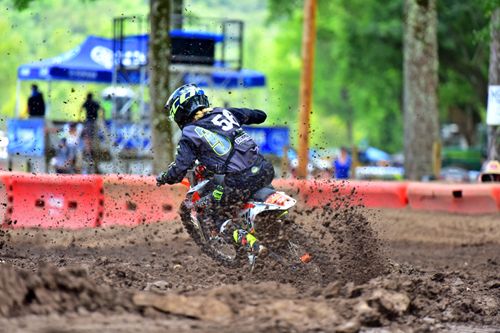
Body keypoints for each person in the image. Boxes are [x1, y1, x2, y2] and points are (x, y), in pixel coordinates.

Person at [156, 84, 274, 256]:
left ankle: (252, 244)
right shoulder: (224, 113)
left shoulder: (190, 133)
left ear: (180, 113)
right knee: (237, 194)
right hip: (265, 169)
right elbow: (260, 116)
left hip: (239, 181)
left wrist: (164, 177)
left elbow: (180, 168)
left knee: (212, 214)